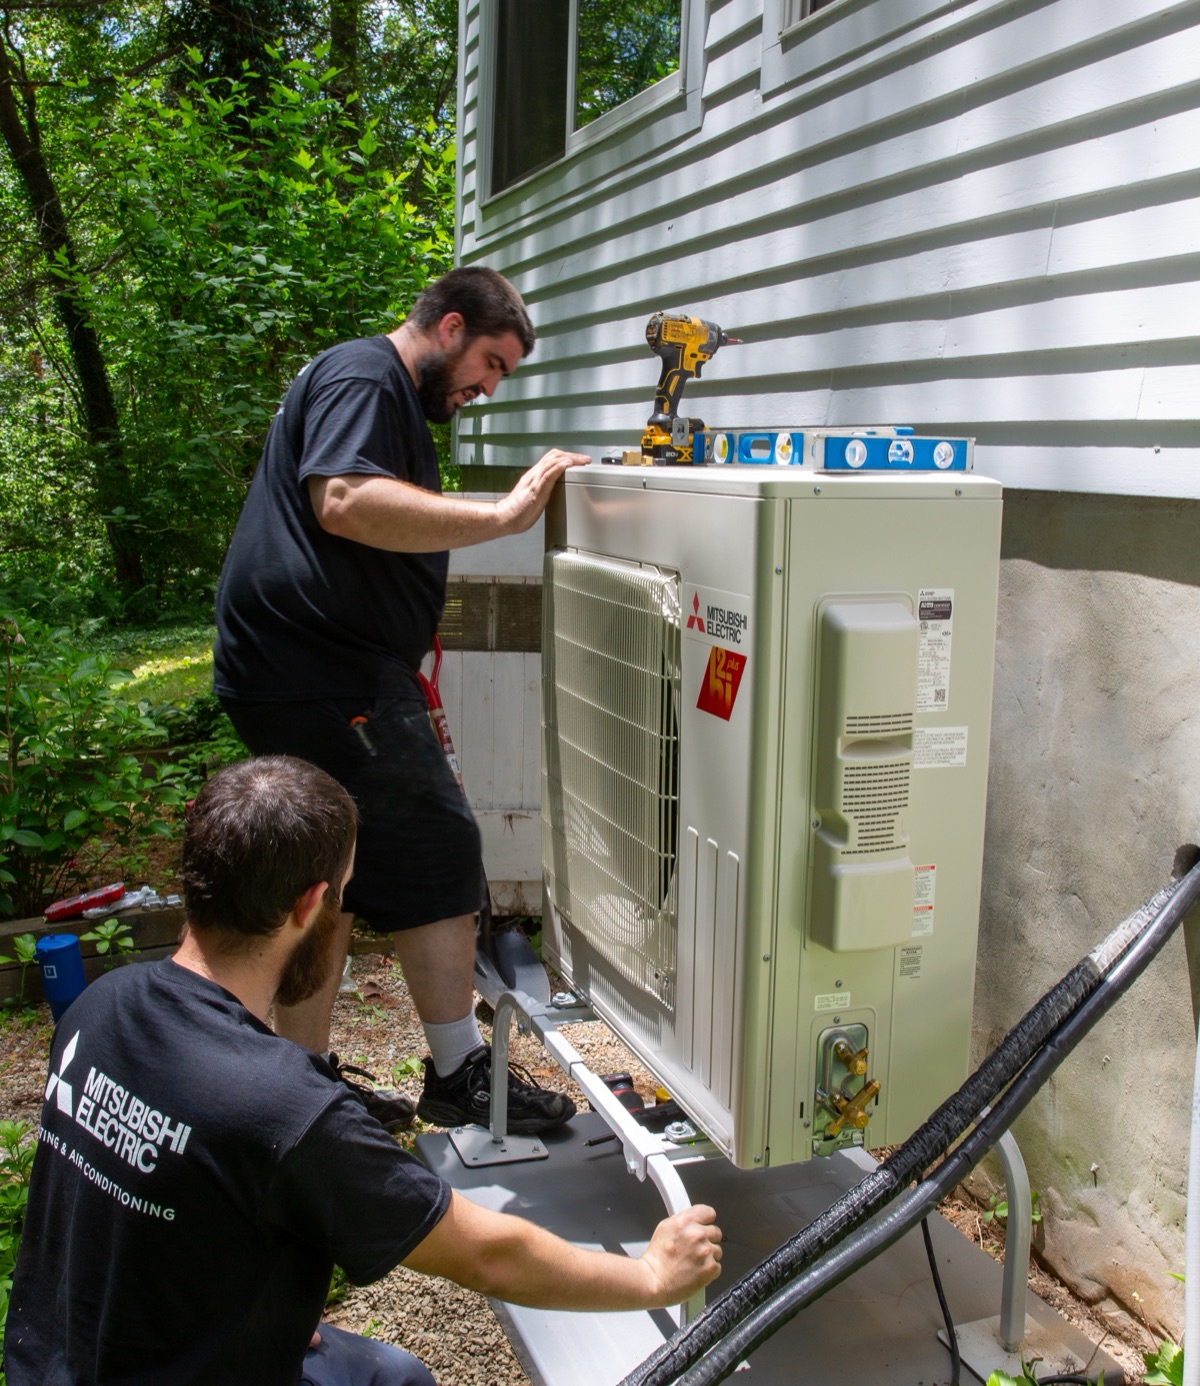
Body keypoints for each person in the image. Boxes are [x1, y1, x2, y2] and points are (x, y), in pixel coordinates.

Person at [4, 756, 723, 1386]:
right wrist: (650, 1275)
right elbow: (488, 1255)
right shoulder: (284, 1110)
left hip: (52, 1365)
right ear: (310, 904)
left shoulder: (102, 1006)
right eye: (343, 894)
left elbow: (135, 1203)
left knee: (393, 1375)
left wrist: (256, 1310)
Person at [212, 266, 590, 1135]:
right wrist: (503, 517)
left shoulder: (372, 387)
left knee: (330, 879)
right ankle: (458, 1075)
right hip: (321, 669)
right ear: (450, 327)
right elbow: (344, 500)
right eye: (490, 363)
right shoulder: (365, 374)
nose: (487, 387)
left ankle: (302, 1084)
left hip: (303, 665)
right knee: (436, 845)